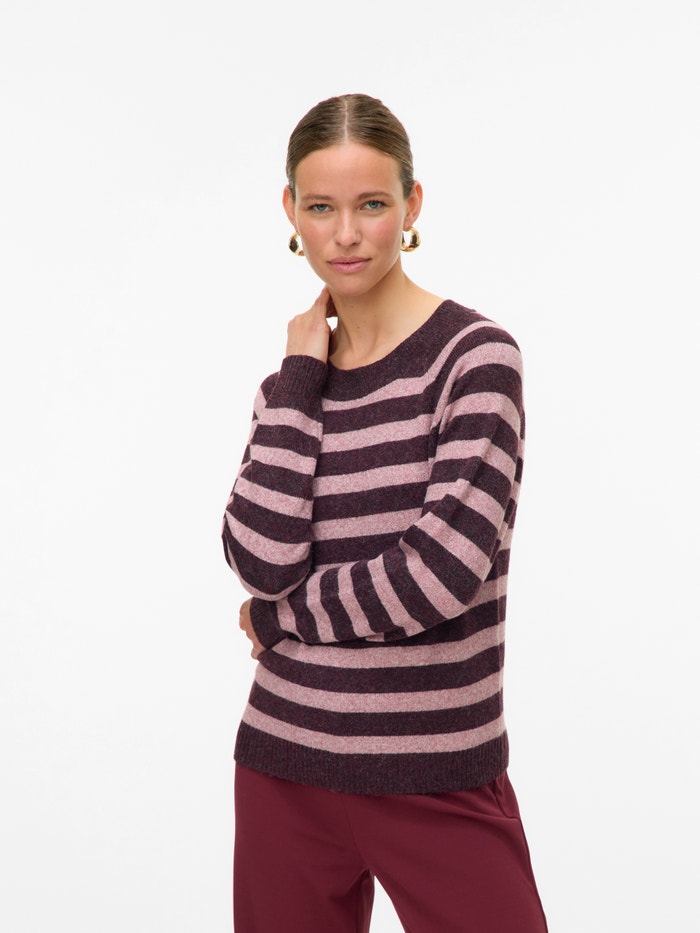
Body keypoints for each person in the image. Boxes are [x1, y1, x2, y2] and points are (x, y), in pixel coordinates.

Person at [222, 93, 548, 933]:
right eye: (320, 207)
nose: (346, 234)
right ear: (290, 211)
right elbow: (260, 557)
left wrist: (279, 619)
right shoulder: (287, 388)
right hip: (284, 766)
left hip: (436, 772)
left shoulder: (475, 360)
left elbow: (436, 576)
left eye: (371, 204)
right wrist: (301, 377)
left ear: (412, 205)